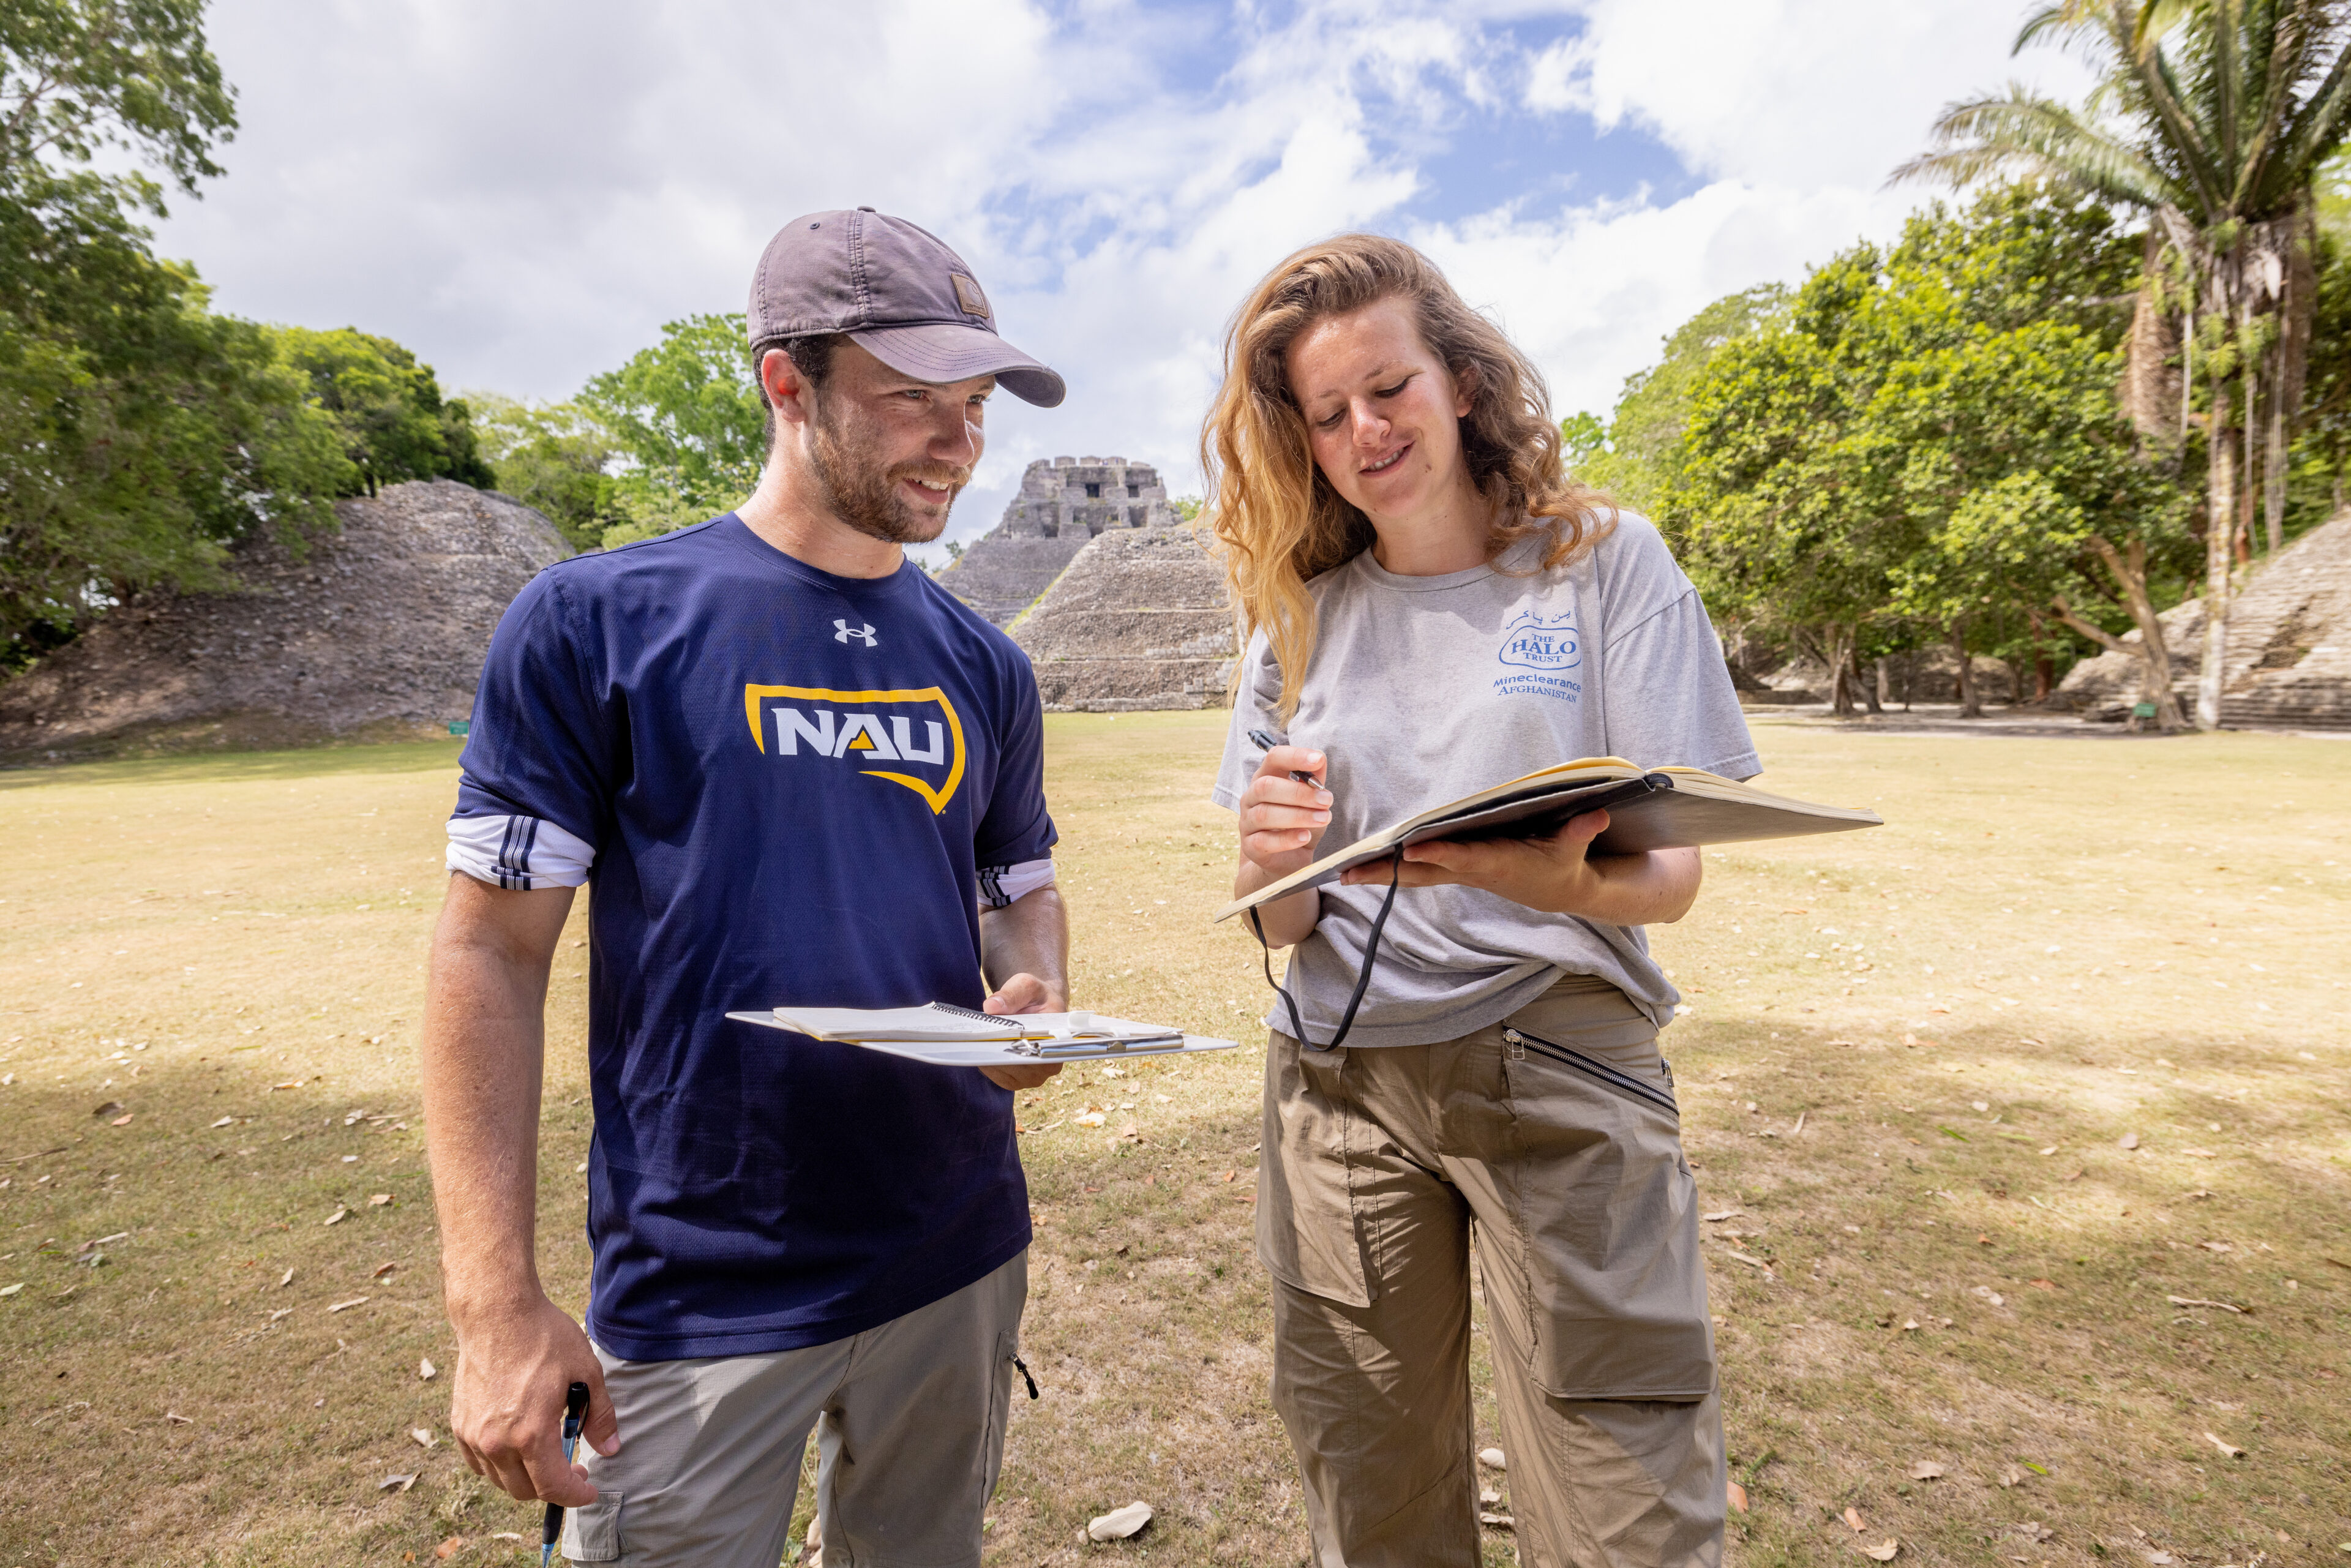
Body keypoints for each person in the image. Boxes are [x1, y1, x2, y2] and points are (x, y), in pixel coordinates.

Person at [419, 208, 1071, 1568]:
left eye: (973, 404)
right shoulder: (601, 621)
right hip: (701, 1286)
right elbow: (490, 954)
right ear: (788, 383)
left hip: (956, 1253)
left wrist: (1037, 993)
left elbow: (1019, 885)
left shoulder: (984, 664)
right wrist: (494, 1308)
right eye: (911, 401)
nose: (959, 440)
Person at [1204, 234, 1760, 1567]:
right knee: (1372, 1489)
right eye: (1326, 414)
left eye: (1387, 387)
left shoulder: (1603, 561)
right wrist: (1270, 869)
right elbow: (1280, 923)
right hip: (1338, 1088)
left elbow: (1669, 876)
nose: (1365, 431)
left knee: (1629, 1502)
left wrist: (1550, 878)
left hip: (1560, 1055)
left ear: (1458, 376)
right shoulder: (1298, 616)